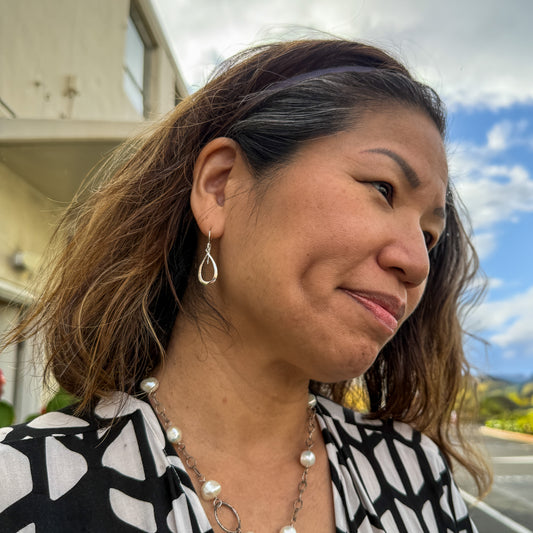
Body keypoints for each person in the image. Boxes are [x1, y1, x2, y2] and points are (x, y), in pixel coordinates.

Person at [0, 39, 490, 532]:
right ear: (221, 187)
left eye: (430, 236)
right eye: (383, 189)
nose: (417, 263)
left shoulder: (417, 475)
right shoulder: (21, 485)